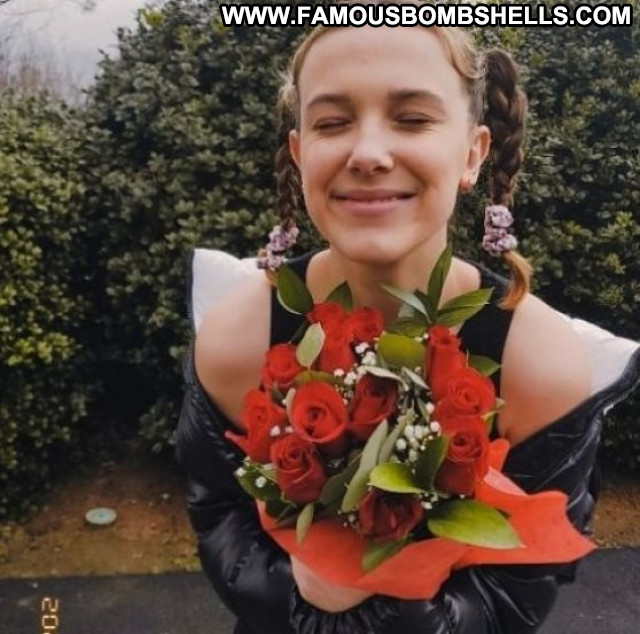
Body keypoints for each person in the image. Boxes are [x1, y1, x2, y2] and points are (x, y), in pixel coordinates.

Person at [175, 4, 640, 633]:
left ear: (473, 153)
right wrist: (302, 593)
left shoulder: (539, 362)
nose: (368, 153)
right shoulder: (239, 339)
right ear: (300, 153)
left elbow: (518, 593)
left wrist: (393, 609)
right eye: (332, 122)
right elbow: (221, 522)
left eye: (413, 118)